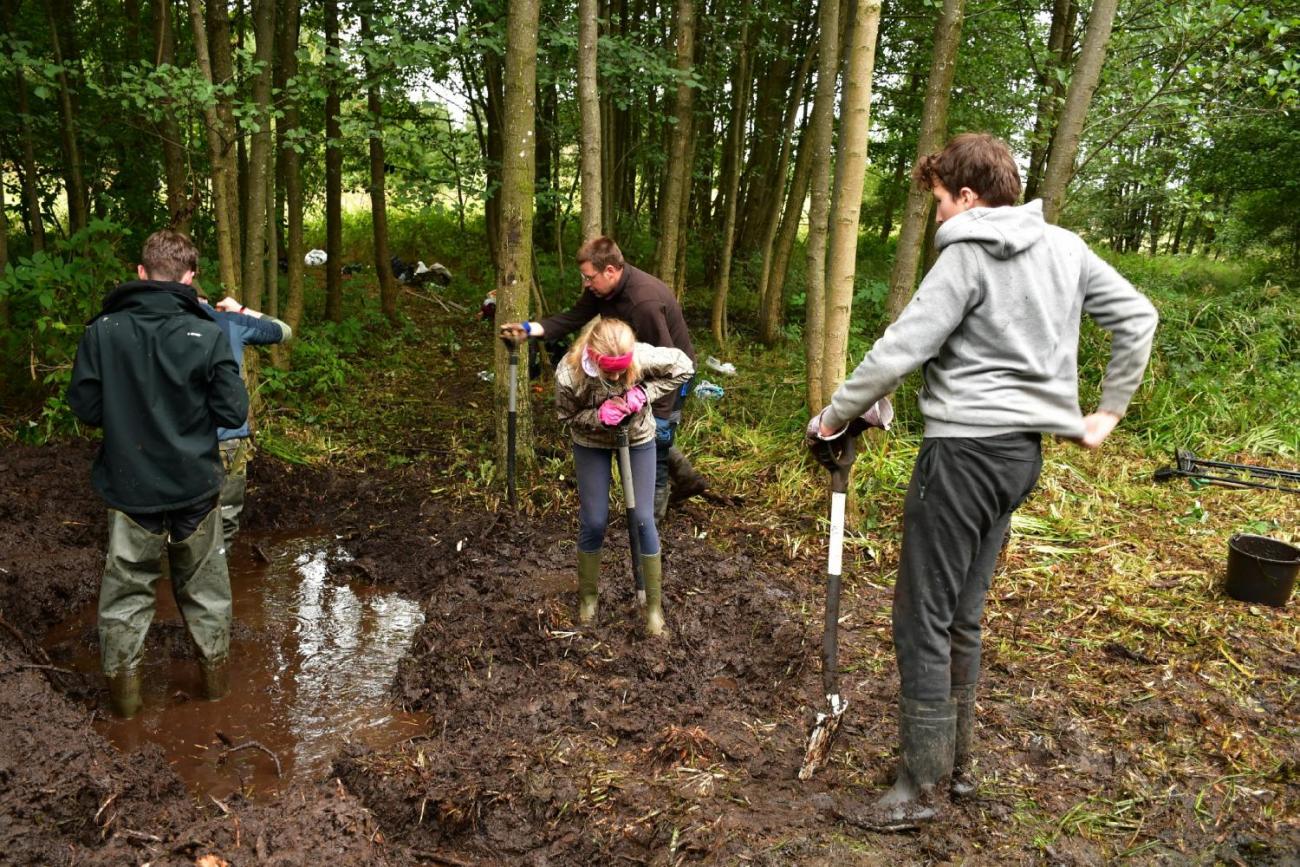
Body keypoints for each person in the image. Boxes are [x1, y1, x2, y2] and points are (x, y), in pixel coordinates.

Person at [807, 133, 1158, 829]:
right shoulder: (1066, 248)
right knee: (961, 614)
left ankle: (918, 787)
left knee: (922, 617)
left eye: (940, 200)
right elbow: (1138, 317)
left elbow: (902, 348)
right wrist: (1107, 412)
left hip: (963, 455)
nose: (937, 214)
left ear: (967, 196)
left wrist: (832, 417)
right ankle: (956, 768)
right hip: (1019, 459)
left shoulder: (967, 254)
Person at [67, 230, 248, 719]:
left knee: (126, 595)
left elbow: (85, 407)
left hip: (131, 487)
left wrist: (129, 413)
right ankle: (216, 696)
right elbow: (233, 411)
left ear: (141, 273)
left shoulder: (103, 331)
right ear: (190, 278)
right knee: (206, 592)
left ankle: (125, 711)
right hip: (194, 486)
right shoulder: (207, 333)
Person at [500, 236, 707, 523]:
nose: (586, 283)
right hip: (630, 365)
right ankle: (687, 478)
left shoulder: (643, 302)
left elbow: (669, 360)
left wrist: (650, 404)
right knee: (643, 426)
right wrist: (530, 329)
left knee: (657, 436)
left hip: (670, 372)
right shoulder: (602, 291)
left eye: (589, 277)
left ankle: (650, 518)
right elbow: (575, 316)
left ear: (610, 271)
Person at [554, 317, 694, 636]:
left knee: (644, 518)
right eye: (609, 371)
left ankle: (654, 609)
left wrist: (642, 393)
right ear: (593, 357)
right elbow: (566, 415)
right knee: (594, 521)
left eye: (622, 370)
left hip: (638, 435)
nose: (617, 377)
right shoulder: (568, 374)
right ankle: (588, 599)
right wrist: (599, 416)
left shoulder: (641, 356)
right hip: (591, 441)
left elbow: (684, 366)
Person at [200, 294, 292, 545]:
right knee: (224, 521)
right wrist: (240, 309)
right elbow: (282, 330)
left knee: (179, 521)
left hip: (175, 440)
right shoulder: (229, 322)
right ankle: (219, 566)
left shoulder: (155, 324)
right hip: (226, 441)